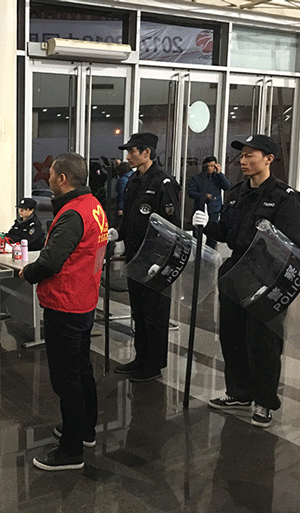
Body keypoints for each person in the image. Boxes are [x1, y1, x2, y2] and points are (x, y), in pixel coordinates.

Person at [193, 134, 300, 428]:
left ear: (268, 159)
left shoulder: (285, 197)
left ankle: (264, 401)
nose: (242, 161)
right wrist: (207, 226)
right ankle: (239, 392)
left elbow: (290, 247)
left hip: (266, 277)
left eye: (250, 155)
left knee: (263, 343)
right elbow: (227, 233)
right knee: (232, 337)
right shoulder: (236, 193)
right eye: (241, 155)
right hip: (235, 273)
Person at [19, 152, 108, 471]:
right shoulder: (94, 206)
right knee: (81, 369)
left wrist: (27, 273)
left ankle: (71, 450)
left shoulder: (72, 213)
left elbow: (50, 261)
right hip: (84, 299)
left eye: (51, 175)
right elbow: (92, 255)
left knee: (66, 378)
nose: (47, 179)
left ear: (62, 179)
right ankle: (85, 429)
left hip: (66, 303)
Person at [108, 132, 181, 382]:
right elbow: (131, 216)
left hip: (154, 261)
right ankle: (141, 358)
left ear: (147, 152)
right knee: (138, 312)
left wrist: (161, 261)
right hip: (135, 257)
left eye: (132, 151)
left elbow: (171, 227)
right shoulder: (134, 180)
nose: (128, 156)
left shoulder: (163, 182)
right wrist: (119, 233)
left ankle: (153, 364)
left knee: (154, 314)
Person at [186, 156, 230, 249]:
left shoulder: (217, 177)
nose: (210, 168)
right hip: (200, 209)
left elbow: (227, 187)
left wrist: (219, 173)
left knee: (212, 236)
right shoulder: (196, 178)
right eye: (208, 166)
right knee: (197, 236)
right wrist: (203, 196)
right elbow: (190, 192)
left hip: (214, 210)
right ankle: (196, 255)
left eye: (212, 166)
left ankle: (210, 255)